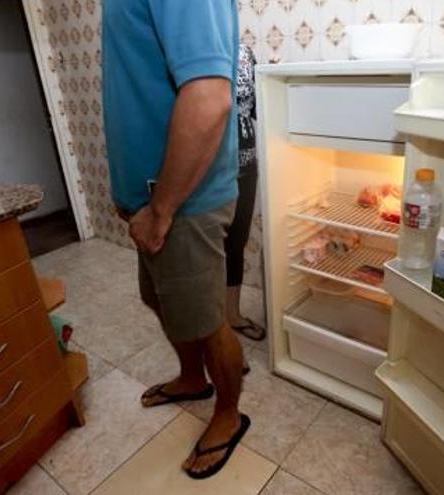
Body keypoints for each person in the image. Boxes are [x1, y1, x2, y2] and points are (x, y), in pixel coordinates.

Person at [102, 0, 246, 479]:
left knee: (207, 319)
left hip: (183, 203)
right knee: (165, 301)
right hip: (154, 202)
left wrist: (162, 210)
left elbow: (208, 99)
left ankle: (228, 414)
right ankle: (191, 379)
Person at [226, 44, 265, 341]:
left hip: (246, 164)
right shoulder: (189, 46)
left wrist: (268, 78)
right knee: (207, 249)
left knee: (236, 241)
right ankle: (210, 324)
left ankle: (232, 315)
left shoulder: (244, 53)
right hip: (207, 169)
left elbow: (254, 109)